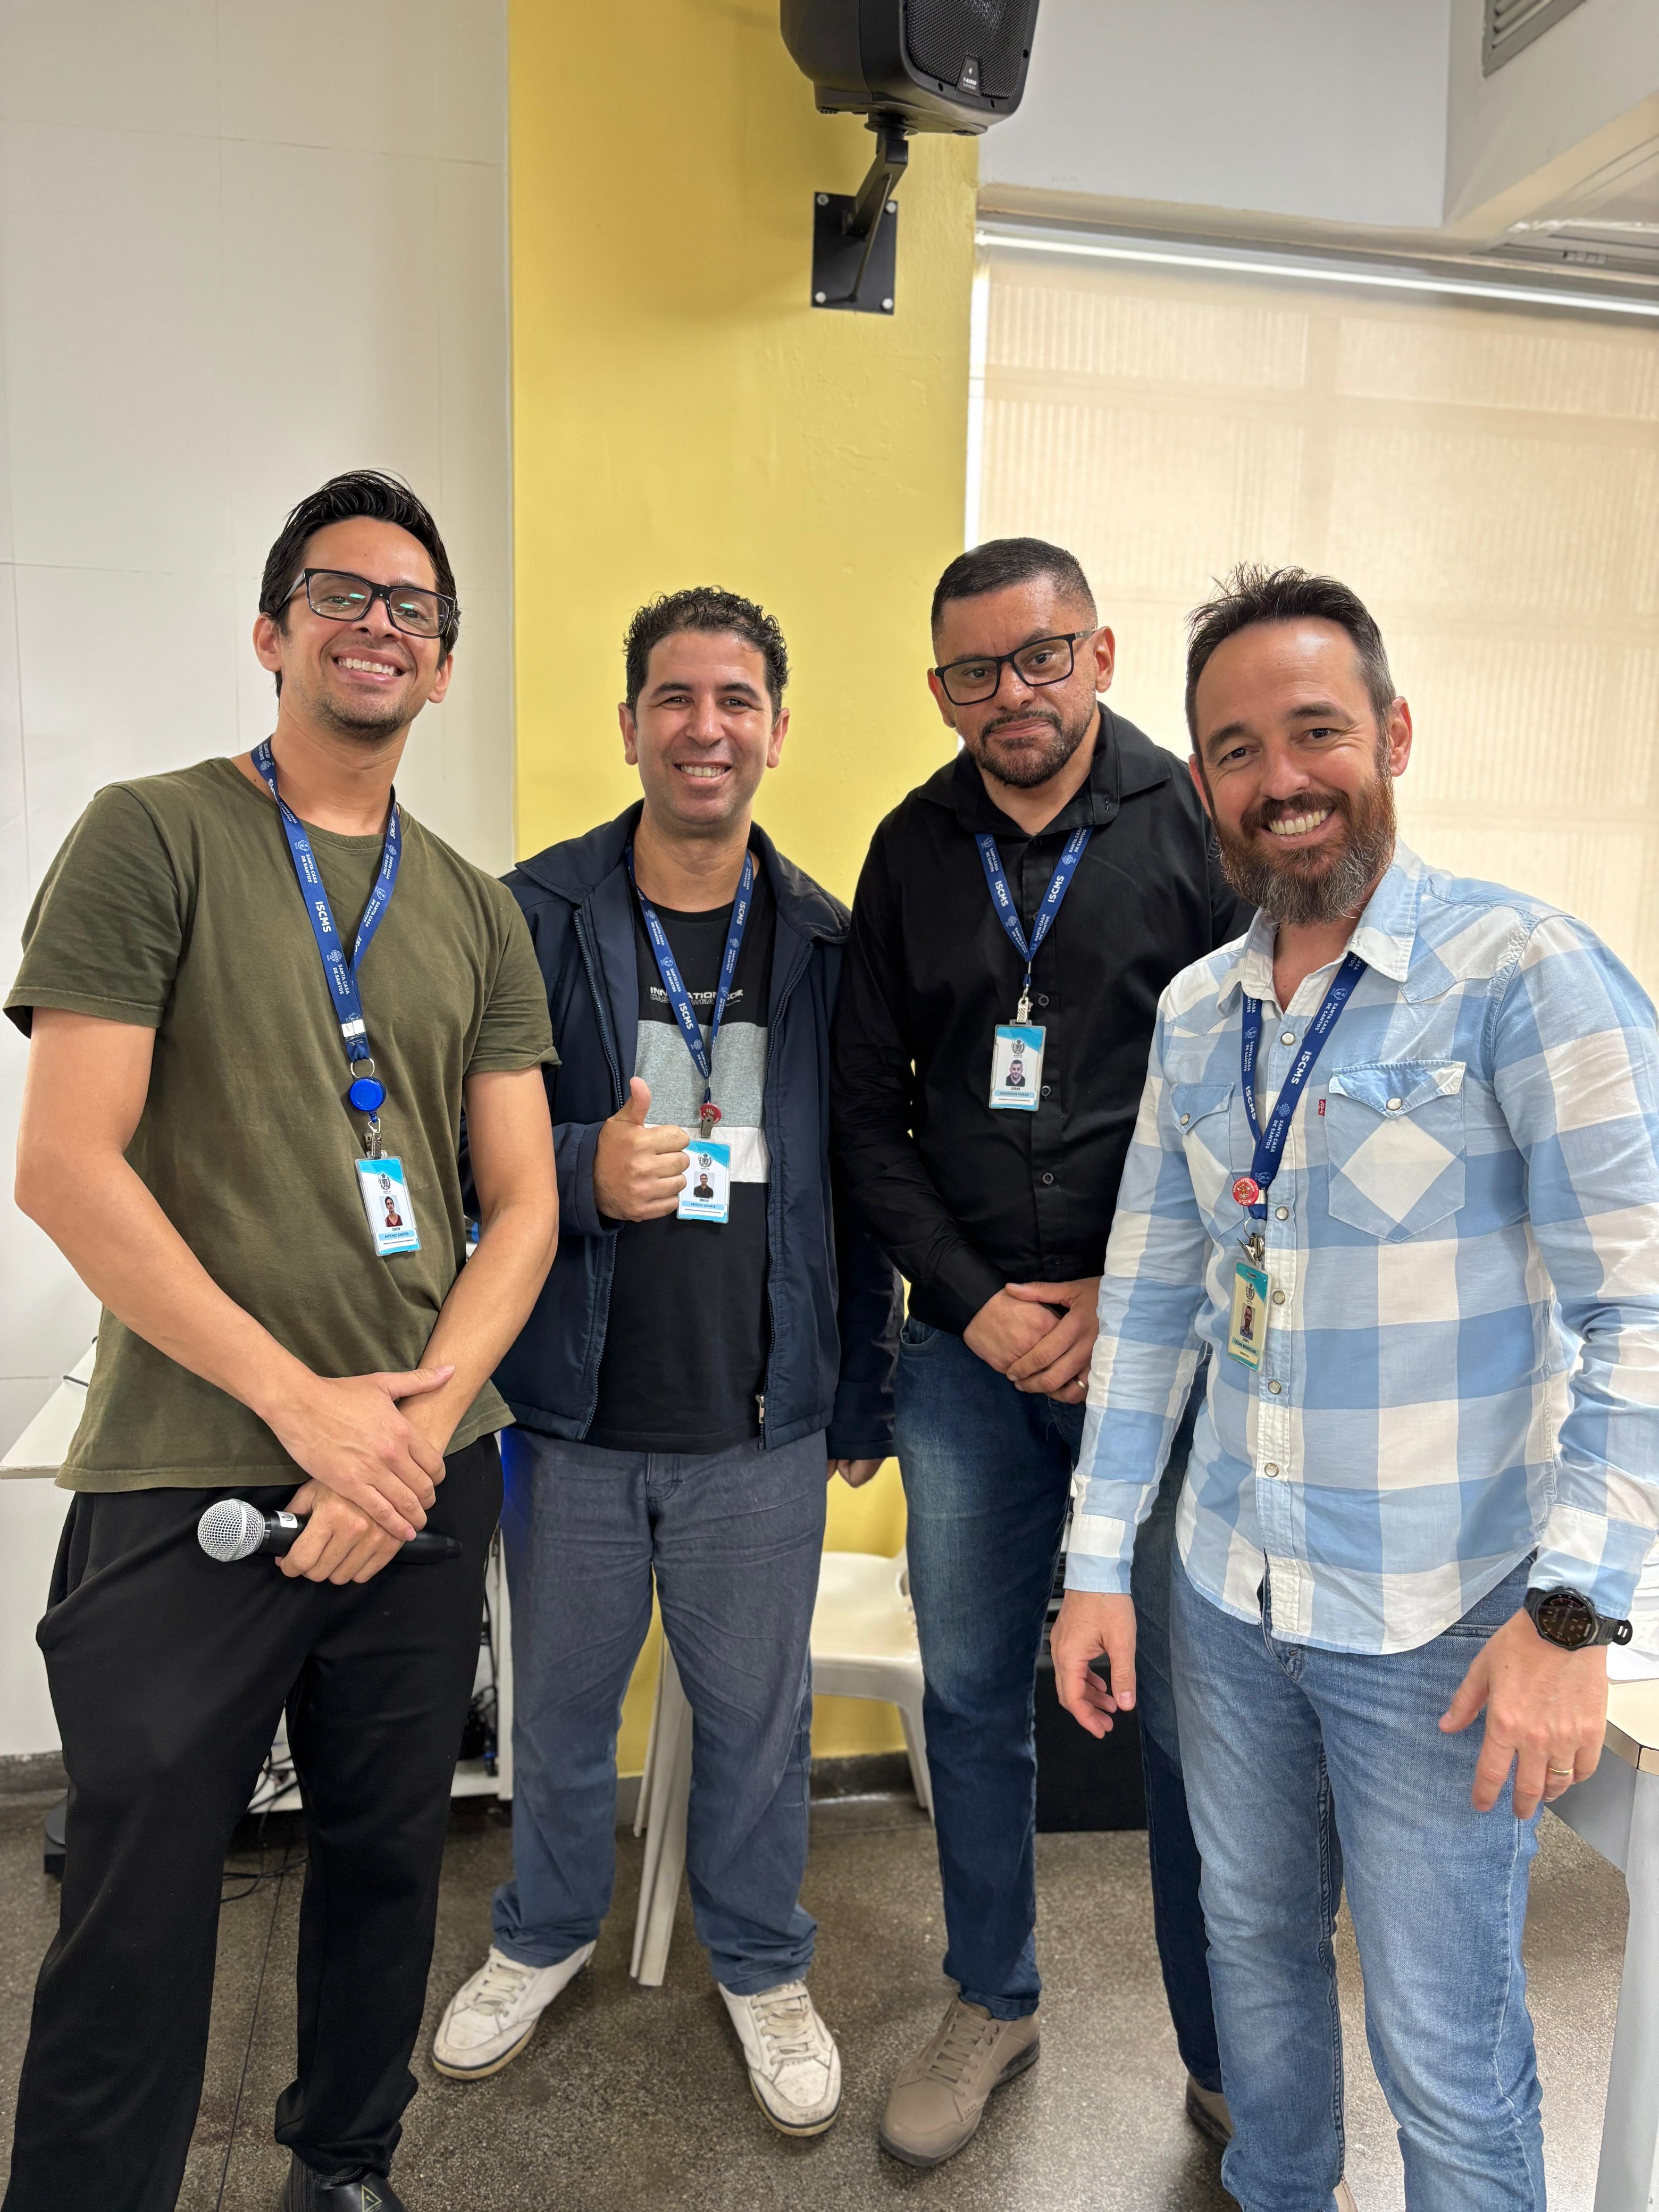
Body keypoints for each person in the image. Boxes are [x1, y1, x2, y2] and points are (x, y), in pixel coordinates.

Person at [1053, 565, 1659, 2212]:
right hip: (1228, 1596)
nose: (1283, 778)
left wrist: (1573, 1617)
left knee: (1446, 2046)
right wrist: (1098, 1565)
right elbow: (1153, 1304)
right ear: (1202, 783)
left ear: (1393, 734)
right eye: (1237, 750)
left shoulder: (1526, 975)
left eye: (1317, 731)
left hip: (1440, 1623)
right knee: (1251, 1953)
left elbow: (1641, 1313)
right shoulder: (1200, 1015)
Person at [2, 471, 559, 2212]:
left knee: (388, 1862)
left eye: (415, 609)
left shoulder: (473, 907)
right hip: (196, 1469)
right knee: (139, 1896)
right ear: (270, 631)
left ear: (445, 665)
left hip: (417, 1478)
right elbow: (64, 1164)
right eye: (341, 593)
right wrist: (307, 1410)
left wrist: (409, 1436)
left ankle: (346, 2166)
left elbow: (521, 1207)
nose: (380, 624)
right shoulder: (152, 834)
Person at [432, 587, 899, 2135]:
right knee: (561, 1718)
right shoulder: (532, 913)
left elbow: (862, 1180)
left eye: (737, 699)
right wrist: (582, 1170)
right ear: (629, 724)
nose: (708, 728)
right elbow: (453, 1142)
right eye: (677, 698)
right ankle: (541, 1936)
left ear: (777, 729)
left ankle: (764, 1966)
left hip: (759, 1427)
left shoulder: (825, 940)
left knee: (757, 1730)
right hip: (565, 1415)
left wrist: (863, 1383)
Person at [832, 537, 1249, 2167]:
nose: (1012, 691)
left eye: (1042, 655)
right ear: (940, 688)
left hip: (1159, 1347)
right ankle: (993, 1997)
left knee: (1192, 1710)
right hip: (965, 1358)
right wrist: (975, 1300)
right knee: (969, 1688)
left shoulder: (1194, 827)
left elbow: (1255, 1090)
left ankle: (1226, 2048)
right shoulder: (908, 850)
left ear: (1102, 653)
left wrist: (1107, 1290)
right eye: (975, 670)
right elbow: (865, 1119)